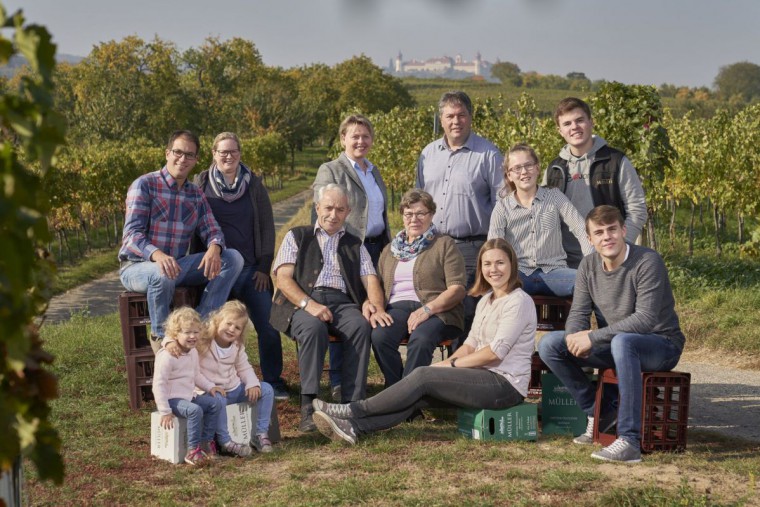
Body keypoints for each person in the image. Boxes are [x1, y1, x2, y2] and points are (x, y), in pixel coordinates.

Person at [310, 238, 536, 445]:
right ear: (480, 268)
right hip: (480, 377)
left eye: (500, 263)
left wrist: (451, 366)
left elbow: (493, 354)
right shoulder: (487, 300)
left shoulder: (518, 302)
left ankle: (351, 410)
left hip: (504, 386)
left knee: (422, 376)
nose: (493, 269)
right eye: (487, 264)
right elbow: (470, 344)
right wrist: (444, 367)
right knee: (420, 391)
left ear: (512, 265)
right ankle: (354, 427)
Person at [538, 205, 685, 463]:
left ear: (623, 230)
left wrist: (592, 338)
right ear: (591, 239)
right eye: (599, 232)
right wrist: (574, 337)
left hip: (660, 344)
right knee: (551, 344)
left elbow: (645, 319)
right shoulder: (588, 266)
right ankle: (598, 414)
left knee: (623, 341)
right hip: (616, 344)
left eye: (612, 229)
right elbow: (579, 313)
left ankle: (629, 440)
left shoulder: (647, 261)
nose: (607, 237)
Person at [269, 184, 387, 433]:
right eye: (329, 208)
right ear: (317, 208)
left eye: (340, 209)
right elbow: (283, 279)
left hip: (343, 302)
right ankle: (309, 406)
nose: (333, 214)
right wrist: (309, 304)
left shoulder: (355, 243)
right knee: (313, 329)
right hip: (302, 301)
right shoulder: (297, 235)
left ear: (348, 212)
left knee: (360, 325)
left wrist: (373, 305)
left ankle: (353, 405)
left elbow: (371, 279)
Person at [118, 130, 243, 351]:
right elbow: (132, 235)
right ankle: (162, 340)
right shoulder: (145, 185)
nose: (182, 159)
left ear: (196, 160)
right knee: (162, 272)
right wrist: (157, 255)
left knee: (232, 258)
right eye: (178, 152)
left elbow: (212, 229)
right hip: (137, 267)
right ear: (167, 153)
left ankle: (202, 327)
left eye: (189, 155)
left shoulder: (195, 194)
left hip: (176, 265)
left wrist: (214, 246)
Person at [193, 132, 288, 401]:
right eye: (222, 151)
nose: (228, 156)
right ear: (214, 154)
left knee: (268, 324)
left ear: (240, 153)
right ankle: (210, 381)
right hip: (218, 271)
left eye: (233, 151)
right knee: (214, 328)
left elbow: (268, 227)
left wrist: (263, 266)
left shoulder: (253, 184)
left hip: (249, 272)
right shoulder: (201, 183)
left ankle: (273, 380)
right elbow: (193, 227)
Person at [312, 115, 392, 400]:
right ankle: (337, 381)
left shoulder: (374, 171)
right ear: (343, 138)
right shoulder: (331, 169)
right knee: (343, 309)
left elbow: (380, 214)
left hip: (375, 249)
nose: (360, 141)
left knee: (369, 309)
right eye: (354, 136)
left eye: (365, 136)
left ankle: (359, 379)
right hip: (345, 251)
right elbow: (321, 208)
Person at [416, 91, 503, 336]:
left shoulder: (489, 155)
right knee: (433, 304)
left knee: (465, 310)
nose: (456, 121)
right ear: (441, 119)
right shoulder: (427, 154)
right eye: (450, 116)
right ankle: (437, 368)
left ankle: (462, 370)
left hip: (471, 246)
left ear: (470, 117)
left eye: (461, 115)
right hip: (432, 245)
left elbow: (502, 203)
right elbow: (419, 199)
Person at [371, 189, 466, 387]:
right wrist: (373, 306)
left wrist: (427, 310)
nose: (414, 219)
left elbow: (457, 288)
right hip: (396, 308)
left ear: (431, 215)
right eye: (409, 214)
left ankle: (405, 397)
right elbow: (378, 286)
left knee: (421, 339)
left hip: (438, 310)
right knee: (380, 337)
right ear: (402, 217)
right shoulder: (390, 250)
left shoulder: (444, 244)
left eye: (421, 213)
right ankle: (399, 390)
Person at [543, 97, 647, 269]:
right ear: (560, 131)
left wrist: (617, 248)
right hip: (564, 263)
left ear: (591, 122)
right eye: (567, 124)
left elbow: (637, 209)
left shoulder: (615, 161)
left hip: (607, 259)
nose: (574, 127)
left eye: (579, 120)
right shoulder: (554, 168)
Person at [488, 143, 593, 296]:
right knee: (494, 295)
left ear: (537, 168)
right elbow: (494, 246)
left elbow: (581, 228)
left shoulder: (555, 196)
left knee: (592, 283)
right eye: (517, 168)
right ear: (509, 175)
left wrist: (591, 263)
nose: (524, 172)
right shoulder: (502, 207)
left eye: (528, 165)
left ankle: (586, 321)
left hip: (556, 273)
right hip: (518, 274)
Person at [196, 301, 275, 457]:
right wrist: (209, 387)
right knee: (218, 400)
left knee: (266, 389)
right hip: (210, 392)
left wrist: (252, 384)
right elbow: (191, 366)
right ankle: (226, 442)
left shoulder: (237, 346)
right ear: (218, 321)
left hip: (233, 389)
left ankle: (260, 434)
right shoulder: (203, 340)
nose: (232, 329)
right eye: (229, 323)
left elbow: (244, 367)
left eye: (237, 327)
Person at [152, 307, 222, 465]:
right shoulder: (167, 357)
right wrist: (165, 411)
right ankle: (192, 450)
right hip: (172, 399)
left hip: (189, 396)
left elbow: (196, 375)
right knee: (194, 411)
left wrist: (210, 387)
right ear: (175, 334)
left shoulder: (193, 352)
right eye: (187, 332)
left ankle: (206, 442)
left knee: (214, 403)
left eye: (196, 332)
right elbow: (158, 385)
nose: (192, 336)